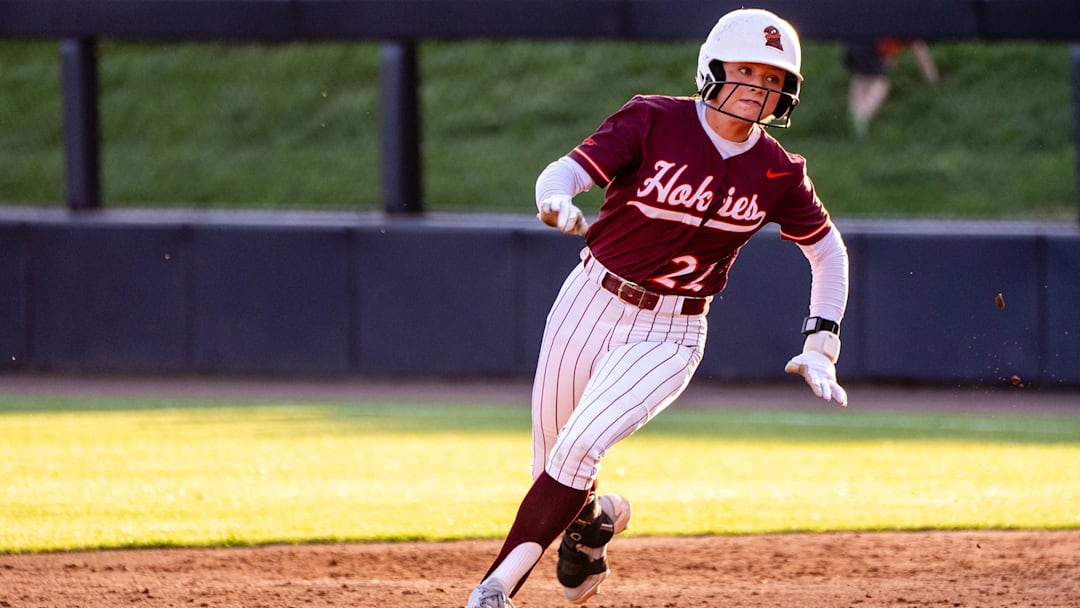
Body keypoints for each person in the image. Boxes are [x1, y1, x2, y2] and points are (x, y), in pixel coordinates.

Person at [465, 8, 850, 608]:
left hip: (671, 331)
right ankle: (592, 529)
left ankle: (492, 591)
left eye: (773, 78)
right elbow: (564, 170)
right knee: (553, 466)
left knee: (576, 448)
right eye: (746, 70)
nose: (758, 87)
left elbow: (828, 252)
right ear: (712, 69)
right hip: (588, 302)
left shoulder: (777, 168)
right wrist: (553, 200)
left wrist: (821, 343)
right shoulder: (653, 118)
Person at [843, 38, 940, 137]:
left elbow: (888, 60)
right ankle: (862, 117)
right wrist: (934, 85)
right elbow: (923, 60)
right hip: (869, 45)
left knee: (862, 77)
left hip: (851, 41)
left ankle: (854, 117)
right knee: (882, 84)